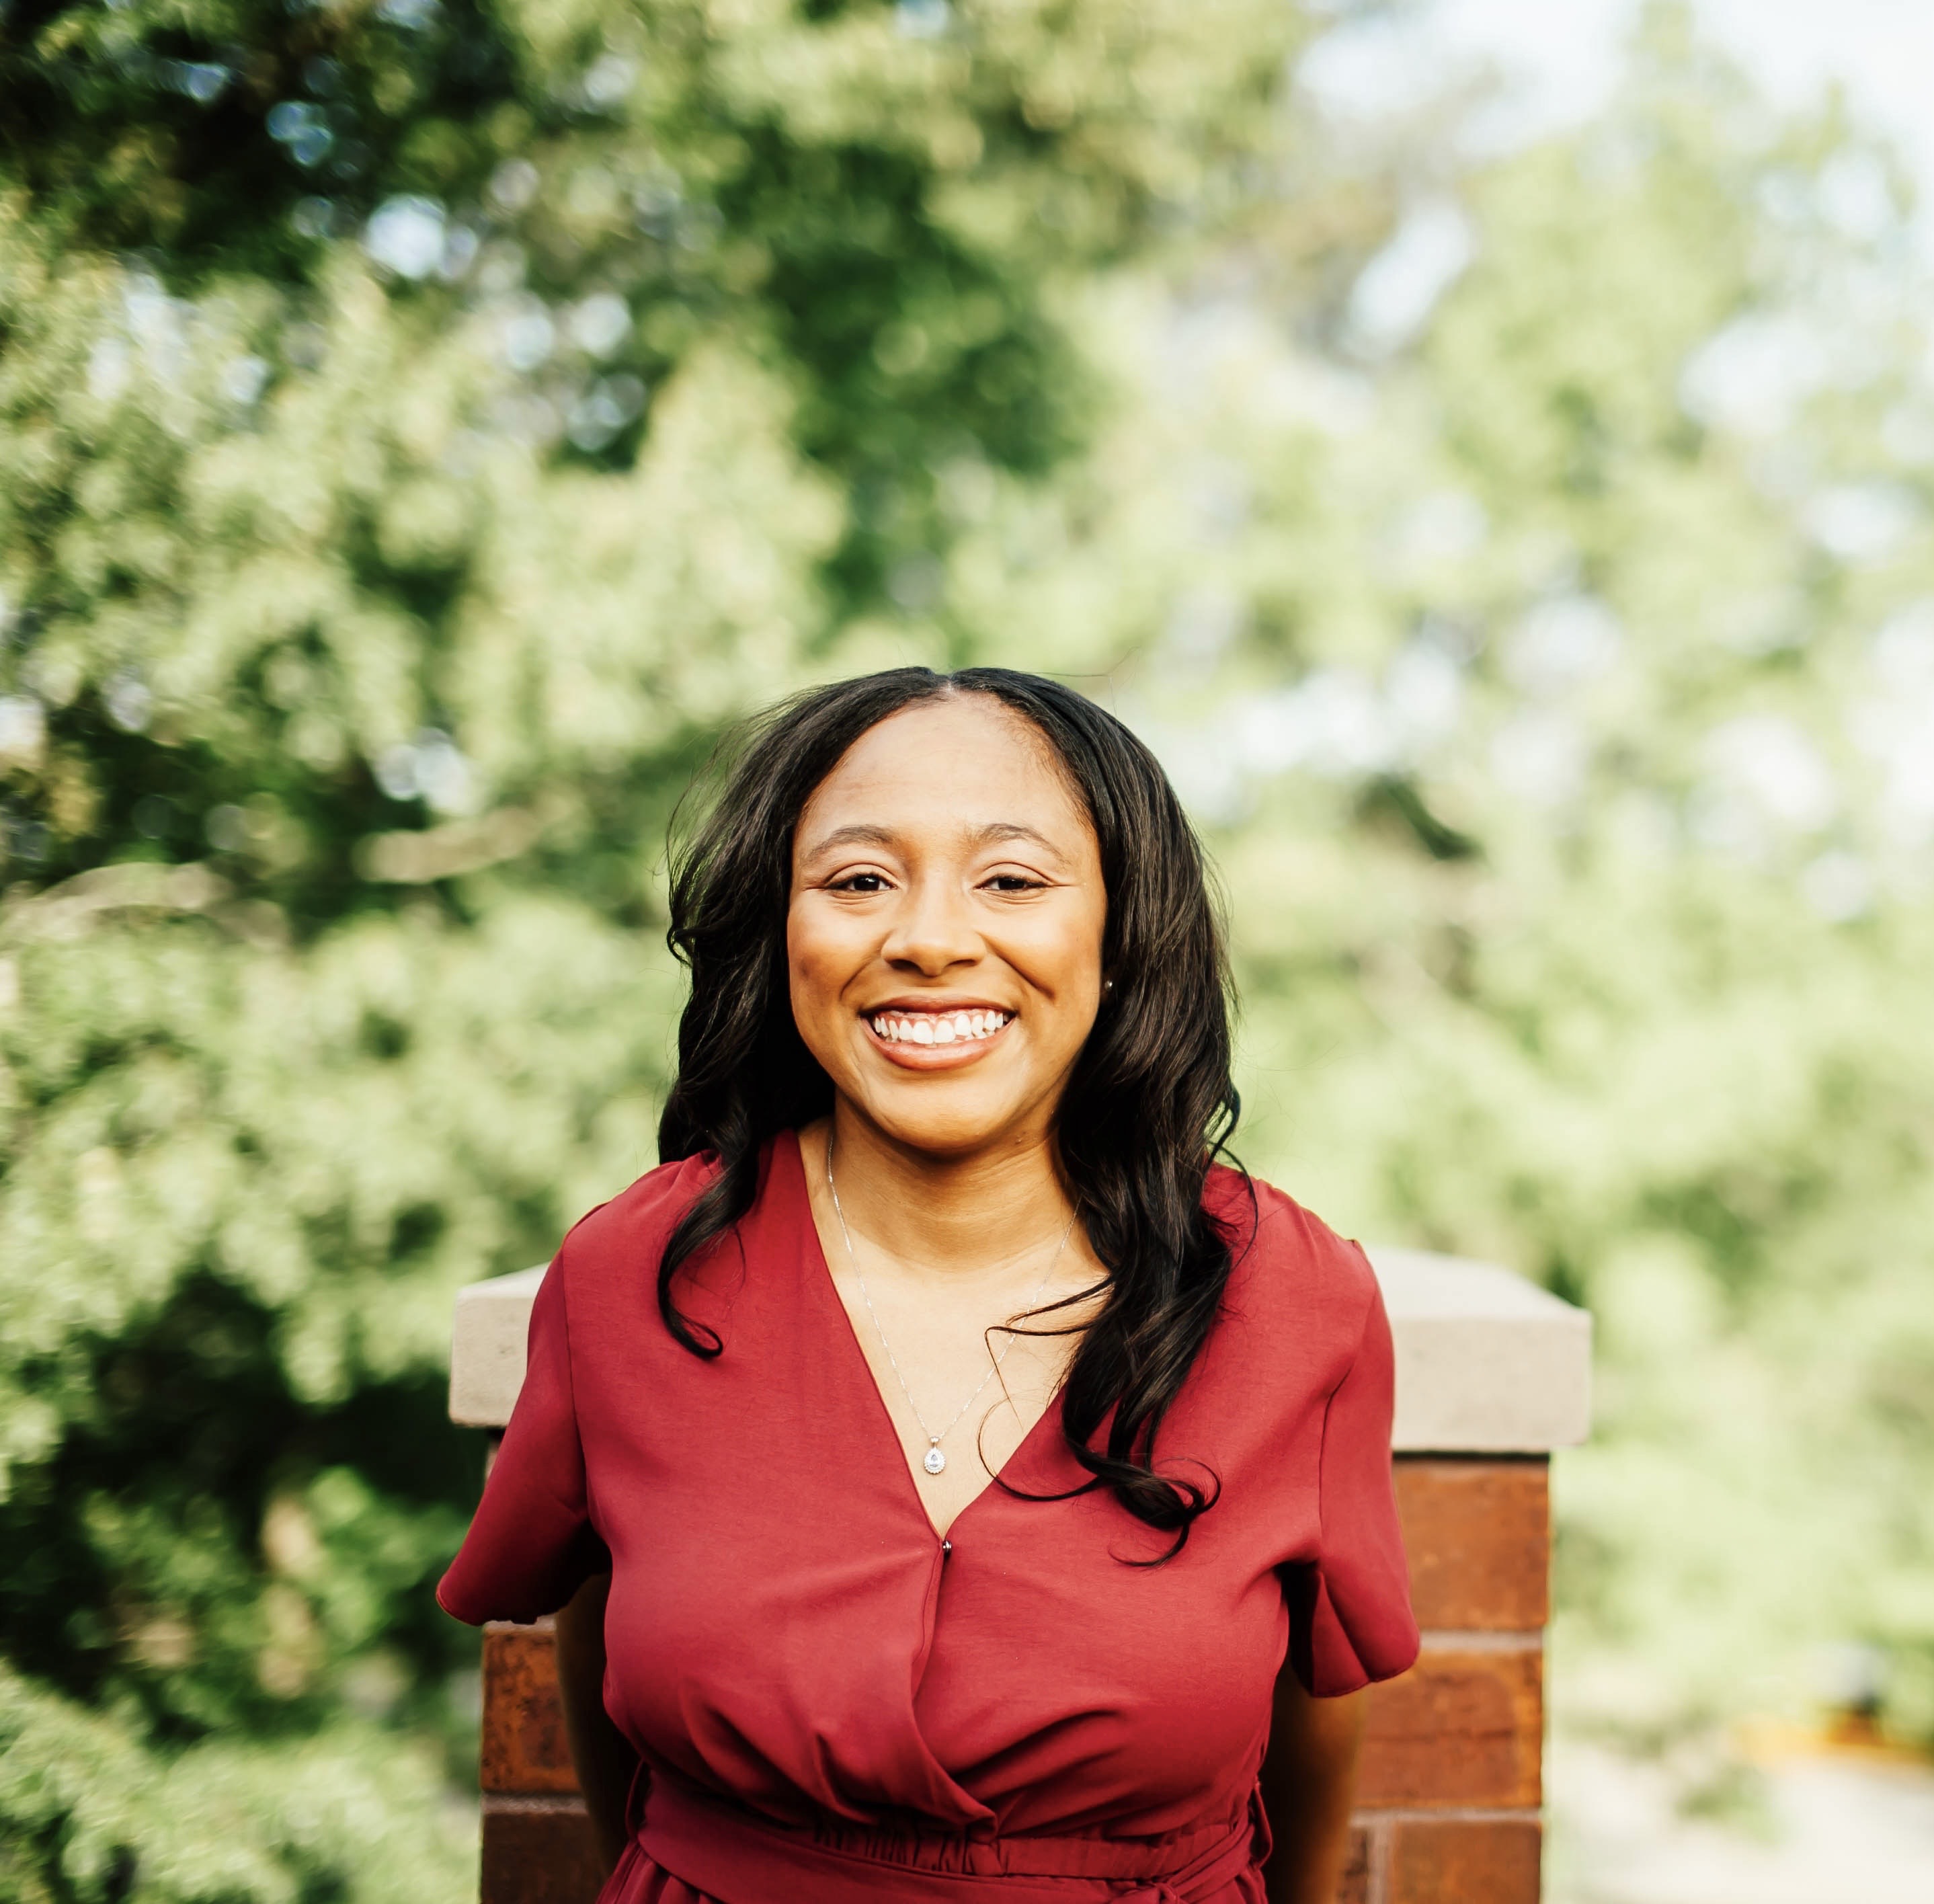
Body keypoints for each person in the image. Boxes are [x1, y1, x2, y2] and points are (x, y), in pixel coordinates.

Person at [438, 668, 1419, 1904]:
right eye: (858, 881)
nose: (930, 938)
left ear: (1120, 932)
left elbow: (1317, 1720)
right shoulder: (627, 1277)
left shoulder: (1290, 1298)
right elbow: (593, 1655)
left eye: (1010, 880)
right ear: (779, 931)